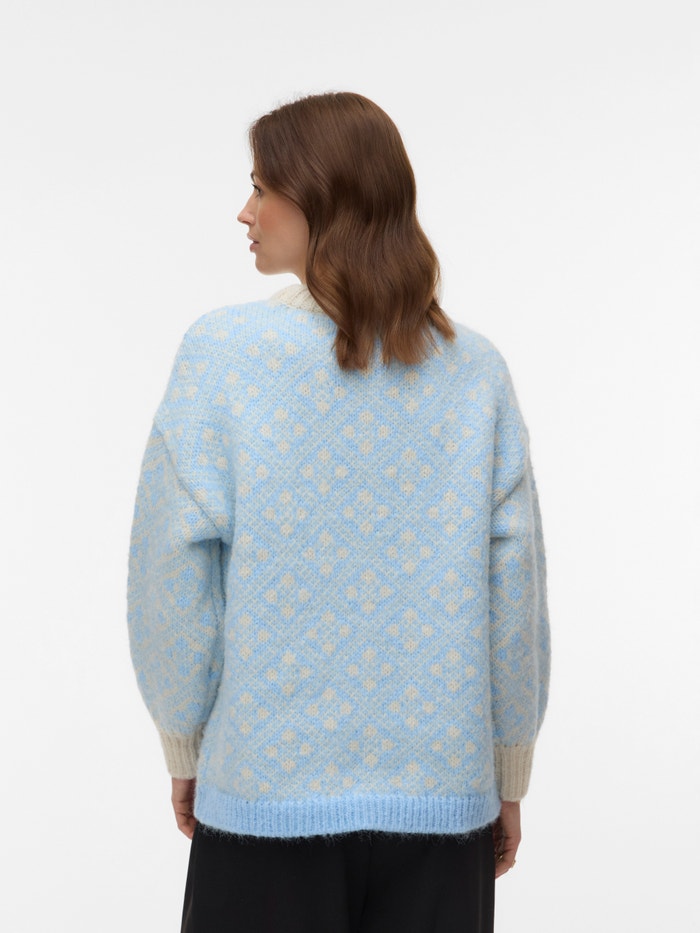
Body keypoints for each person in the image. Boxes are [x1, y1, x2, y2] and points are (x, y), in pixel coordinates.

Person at [127, 91, 551, 933]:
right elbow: (516, 591)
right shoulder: (475, 371)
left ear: (321, 198)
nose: (244, 212)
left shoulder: (222, 355)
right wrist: (508, 768)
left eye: (261, 188)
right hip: (442, 804)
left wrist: (187, 738)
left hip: (264, 796)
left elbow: (170, 571)